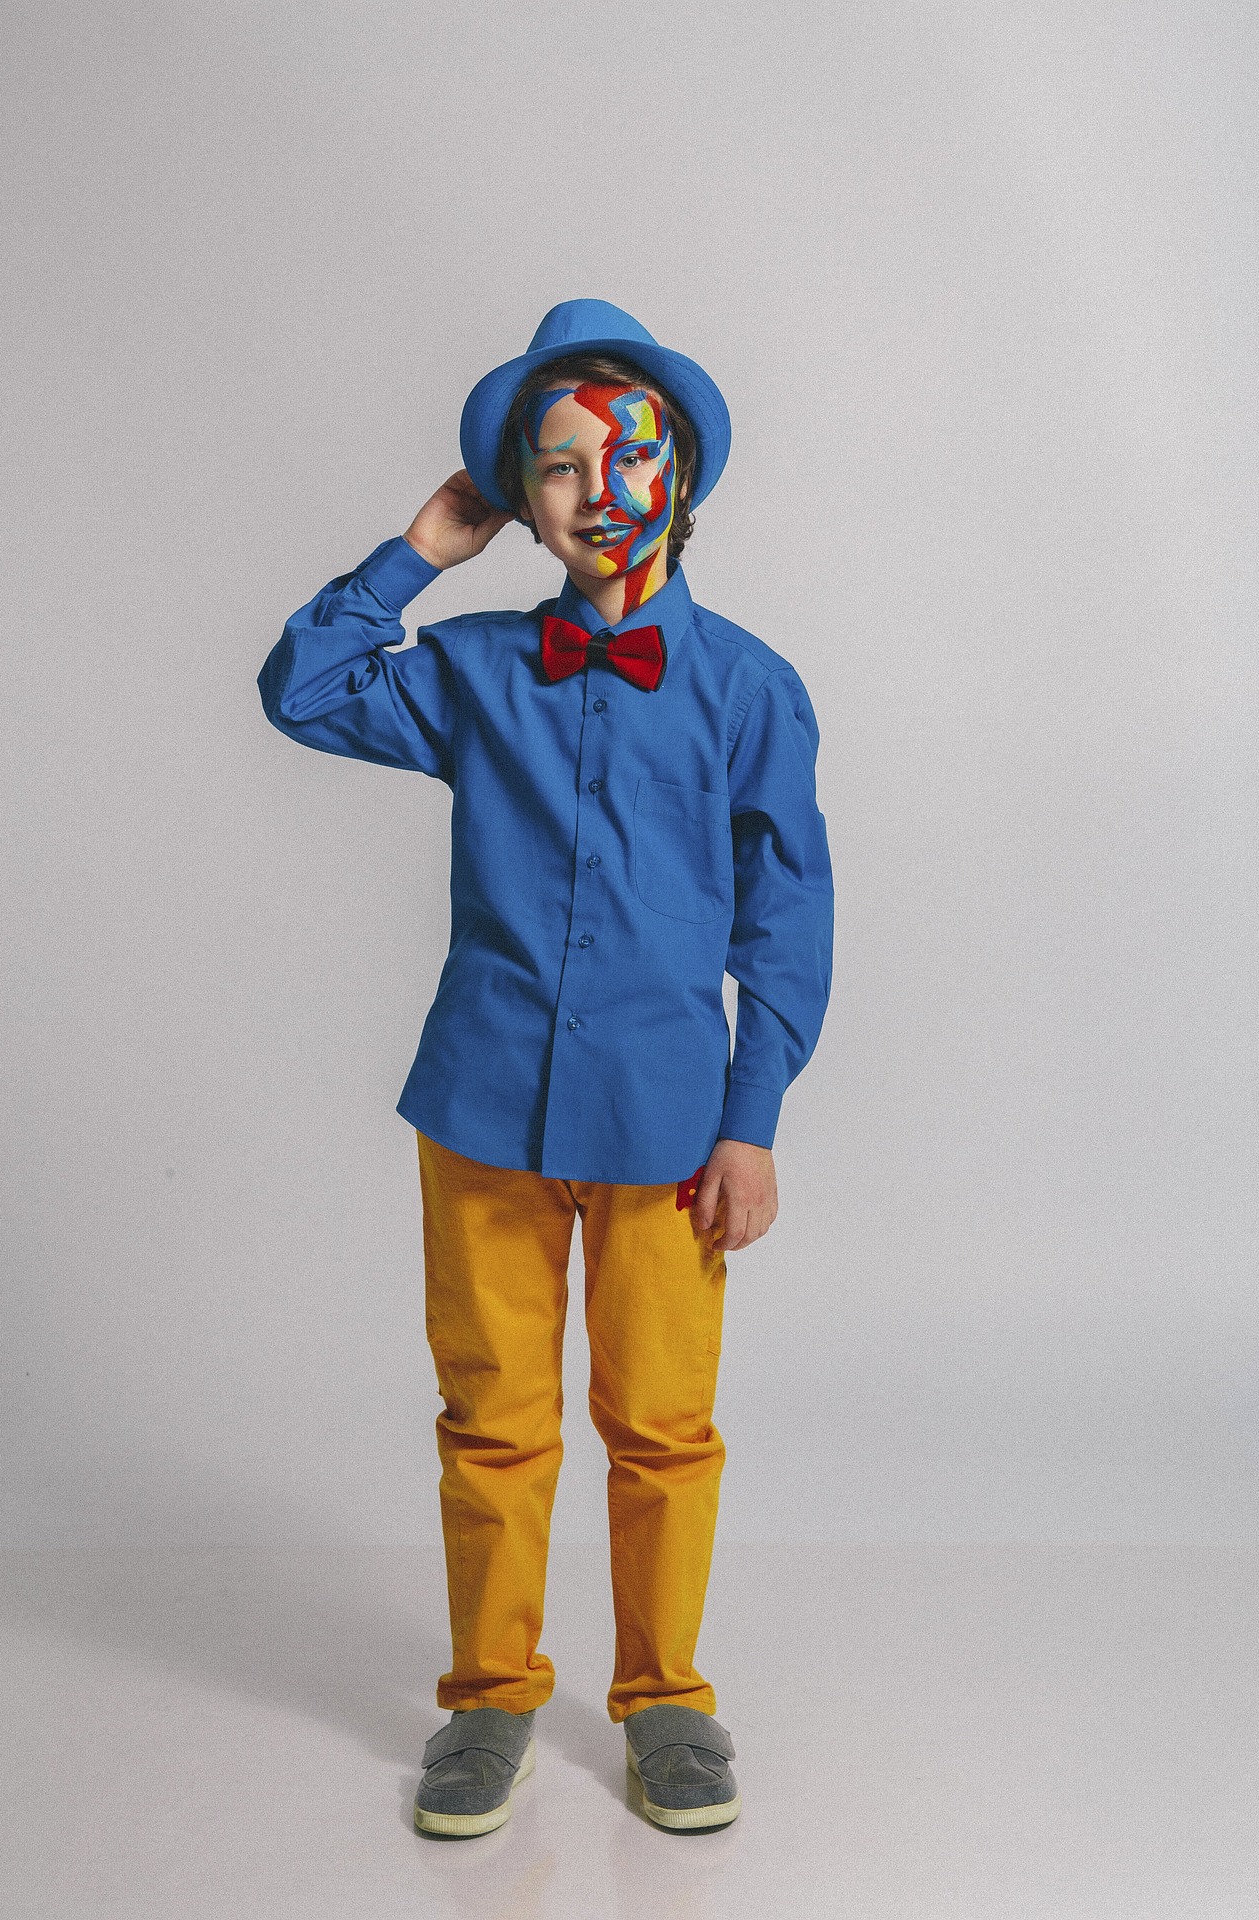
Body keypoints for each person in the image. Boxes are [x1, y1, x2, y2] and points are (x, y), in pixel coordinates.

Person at [257, 299, 835, 1837]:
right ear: (521, 495)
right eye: (555, 464)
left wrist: (753, 1120)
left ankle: (666, 1701)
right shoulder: (475, 671)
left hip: (668, 1124)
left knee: (662, 1425)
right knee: (492, 1423)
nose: (590, 489)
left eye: (621, 456)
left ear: (679, 474)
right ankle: (492, 1697)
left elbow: (787, 917)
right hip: (483, 1111)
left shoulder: (750, 690)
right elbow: (301, 693)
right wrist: (415, 557)